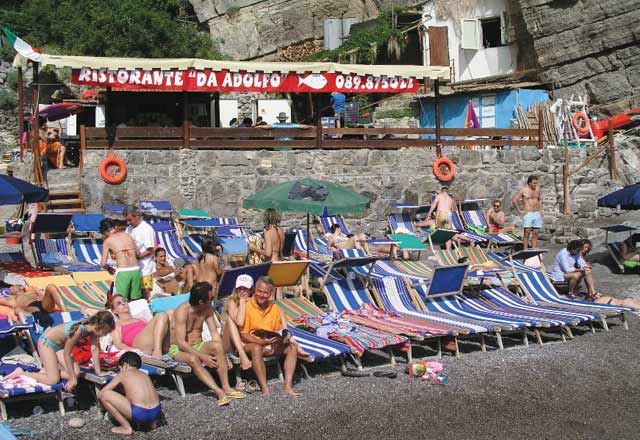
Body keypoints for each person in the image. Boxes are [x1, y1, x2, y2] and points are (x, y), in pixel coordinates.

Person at [168, 282, 246, 406]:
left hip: (198, 344)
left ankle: (226, 387)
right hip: (178, 349)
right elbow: (181, 343)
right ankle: (218, 392)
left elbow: (214, 334)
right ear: (200, 302)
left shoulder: (208, 308)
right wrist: (202, 356)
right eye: (210, 298)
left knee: (217, 346)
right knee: (193, 359)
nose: (212, 299)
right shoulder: (182, 311)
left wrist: (224, 355)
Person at [13, 311, 115, 392]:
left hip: (59, 347)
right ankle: (23, 373)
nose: (106, 335)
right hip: (47, 344)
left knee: (76, 373)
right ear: (100, 326)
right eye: (106, 332)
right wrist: (72, 379)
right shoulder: (79, 330)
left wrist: (99, 372)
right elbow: (67, 353)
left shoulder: (92, 329)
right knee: (53, 380)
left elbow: (95, 349)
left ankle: (47, 371)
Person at [240, 276, 300, 397]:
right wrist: (261, 342)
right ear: (255, 290)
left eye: (265, 293)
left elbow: (279, 329)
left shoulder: (275, 308)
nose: (262, 295)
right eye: (259, 291)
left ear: (271, 293)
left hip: (270, 342)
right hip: (249, 344)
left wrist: (284, 337)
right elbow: (244, 334)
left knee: (292, 347)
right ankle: (264, 386)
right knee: (257, 347)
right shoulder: (247, 306)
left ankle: (287, 385)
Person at [97, 352, 163, 435]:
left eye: (119, 368)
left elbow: (101, 394)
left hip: (140, 413)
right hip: (156, 412)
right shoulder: (145, 374)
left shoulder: (123, 374)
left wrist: (104, 408)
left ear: (125, 365)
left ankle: (126, 427)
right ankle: (152, 424)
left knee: (105, 395)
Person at [578, 239, 640, 308]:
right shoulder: (624, 245)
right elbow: (624, 257)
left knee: (588, 272)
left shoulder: (601, 300)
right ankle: (592, 293)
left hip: (622, 301)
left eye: (587, 248)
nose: (586, 249)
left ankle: (592, 293)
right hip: (623, 302)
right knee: (588, 272)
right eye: (585, 247)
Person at [107, 295, 171, 360]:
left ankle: (169, 349)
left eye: (124, 301)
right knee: (162, 315)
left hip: (152, 340)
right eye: (119, 303)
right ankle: (157, 351)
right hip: (138, 343)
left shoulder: (141, 319)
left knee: (171, 312)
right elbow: (118, 344)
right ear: (115, 311)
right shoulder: (117, 325)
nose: (123, 303)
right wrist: (134, 351)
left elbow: (155, 330)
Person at [100, 218, 143, 301]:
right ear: (115, 227)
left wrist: (109, 268)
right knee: (136, 300)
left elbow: (103, 263)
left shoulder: (107, 241)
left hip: (123, 271)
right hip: (136, 270)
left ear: (104, 232)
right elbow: (138, 254)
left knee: (120, 300)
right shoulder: (127, 235)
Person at [220, 274, 255, 371]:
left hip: (246, 338)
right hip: (229, 344)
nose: (242, 291)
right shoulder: (231, 301)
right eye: (239, 288)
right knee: (230, 319)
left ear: (251, 290)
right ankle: (241, 353)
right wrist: (243, 302)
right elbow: (239, 322)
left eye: (245, 288)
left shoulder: (254, 301)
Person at [124, 206, 156, 300]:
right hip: (132, 268)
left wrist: (137, 257)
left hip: (144, 268)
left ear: (137, 216)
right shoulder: (129, 229)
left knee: (144, 294)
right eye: (127, 220)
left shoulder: (146, 229)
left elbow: (150, 250)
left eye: (130, 220)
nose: (128, 223)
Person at [512, 175, 543, 249]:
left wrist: (540, 209)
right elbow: (514, 200)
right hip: (528, 213)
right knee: (527, 232)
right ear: (529, 183)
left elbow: (540, 199)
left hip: (536, 213)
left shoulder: (537, 190)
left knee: (536, 233)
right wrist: (519, 210)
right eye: (534, 183)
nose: (535, 185)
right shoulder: (524, 190)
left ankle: (533, 249)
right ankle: (525, 250)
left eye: (536, 183)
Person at [0, 284, 67, 317]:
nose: (10, 289)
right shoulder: (12, 298)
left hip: (43, 305)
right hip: (31, 310)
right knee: (17, 310)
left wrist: (42, 296)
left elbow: (49, 296)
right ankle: (34, 319)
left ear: (21, 286)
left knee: (51, 286)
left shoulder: (33, 291)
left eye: (12, 286)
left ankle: (66, 313)